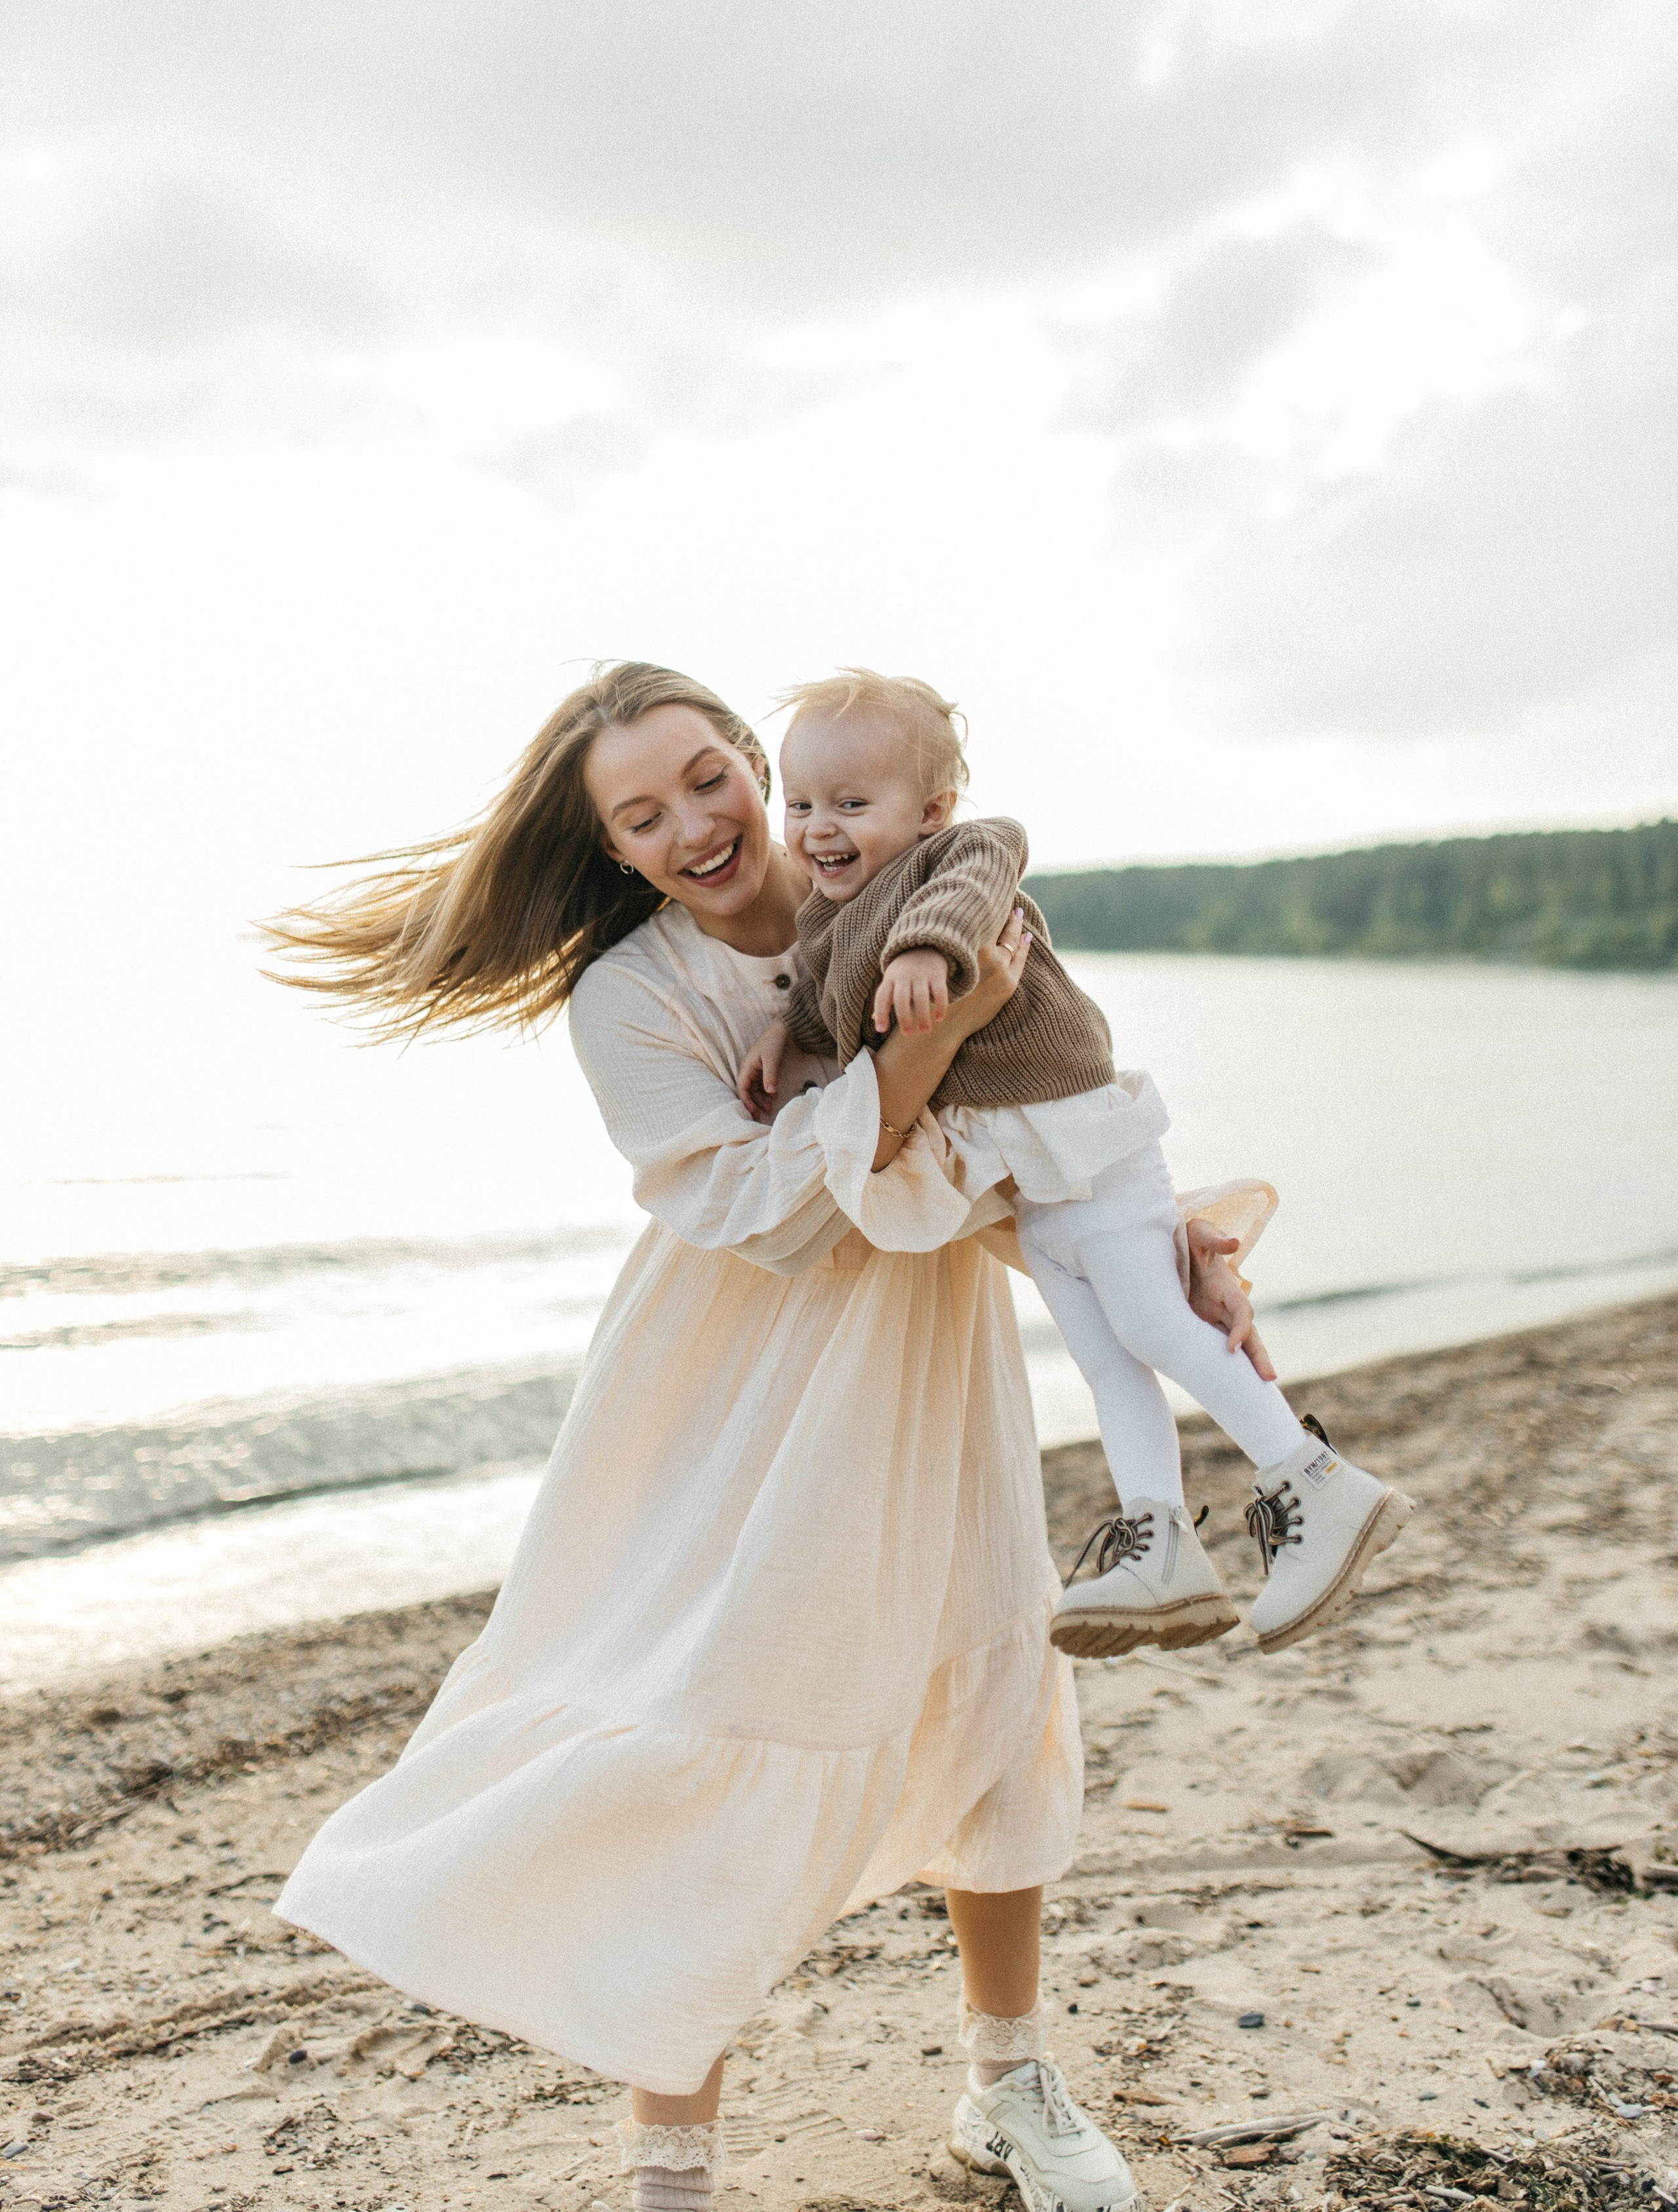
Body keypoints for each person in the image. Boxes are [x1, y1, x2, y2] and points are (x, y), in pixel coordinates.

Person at [262, 661, 1267, 2212]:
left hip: (923, 1354)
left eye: (707, 779)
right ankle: (673, 2163)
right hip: (728, 1387)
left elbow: (1026, 1142)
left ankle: (1008, 2082)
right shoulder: (631, 996)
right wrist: (937, 1038)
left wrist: (1178, 1278)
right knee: (707, 1717)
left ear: (751, 756)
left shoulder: (914, 893)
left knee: (996, 1681)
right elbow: (770, 1216)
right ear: (614, 851)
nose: (696, 826)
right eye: (643, 816)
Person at [739, 669, 1412, 1663]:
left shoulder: (959, 857)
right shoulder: (827, 918)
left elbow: (984, 871)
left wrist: (929, 947)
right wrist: (785, 1036)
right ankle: (1162, 1543)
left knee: (1152, 1324)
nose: (817, 827)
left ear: (929, 812)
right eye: (799, 804)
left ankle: (1314, 1481)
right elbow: (828, 993)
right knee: (1106, 1364)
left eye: (850, 803)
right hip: (1030, 1179)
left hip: (1081, 1138)